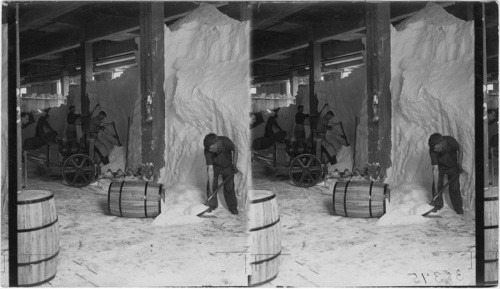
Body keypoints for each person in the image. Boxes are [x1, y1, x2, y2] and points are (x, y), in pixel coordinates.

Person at [428, 133, 464, 215]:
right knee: (436, 185)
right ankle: (437, 205)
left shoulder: (450, 141)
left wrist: (459, 164)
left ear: (441, 143)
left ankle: (458, 208)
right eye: (434, 150)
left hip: (453, 165)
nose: (436, 151)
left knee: (454, 187)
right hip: (440, 167)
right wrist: (437, 190)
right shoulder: (432, 150)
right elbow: (436, 169)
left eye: (437, 149)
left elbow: (460, 148)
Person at [203, 133, 239, 215]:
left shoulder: (225, 141)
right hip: (215, 167)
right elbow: (210, 170)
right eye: (209, 149)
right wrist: (212, 190)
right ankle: (212, 205)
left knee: (229, 188)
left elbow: (235, 149)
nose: (210, 151)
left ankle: (233, 207)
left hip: (228, 167)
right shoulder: (207, 151)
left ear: (217, 144)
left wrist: (234, 164)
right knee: (211, 185)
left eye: (212, 149)